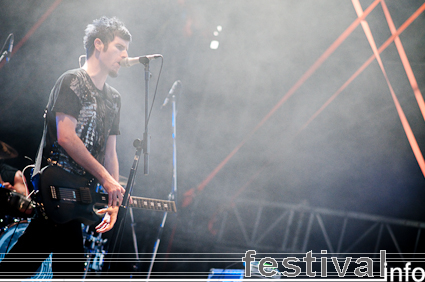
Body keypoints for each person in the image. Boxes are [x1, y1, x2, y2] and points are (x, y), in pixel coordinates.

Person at [0, 16, 131, 279]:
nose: (126, 55)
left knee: (33, 258)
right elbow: (66, 137)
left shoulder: (114, 99)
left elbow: (110, 152)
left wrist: (114, 202)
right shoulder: (72, 81)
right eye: (120, 47)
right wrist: (107, 180)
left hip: (78, 198)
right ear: (99, 45)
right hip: (55, 187)